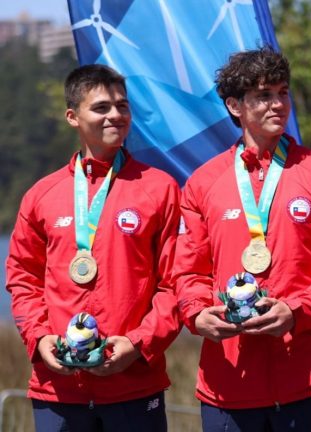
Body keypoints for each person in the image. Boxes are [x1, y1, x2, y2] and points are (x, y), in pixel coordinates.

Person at [173, 47, 311, 431]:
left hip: (310, 380)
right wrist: (197, 314)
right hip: (230, 384)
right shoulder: (202, 183)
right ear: (234, 105)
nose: (278, 103)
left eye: (283, 92)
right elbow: (186, 274)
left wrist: (297, 311)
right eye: (264, 95)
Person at [5, 64, 181, 430]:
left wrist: (137, 344)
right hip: (58, 390)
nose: (115, 114)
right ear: (73, 116)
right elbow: (22, 279)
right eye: (101, 107)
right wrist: (39, 339)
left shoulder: (160, 188)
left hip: (134, 384)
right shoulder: (42, 195)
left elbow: (176, 284)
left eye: (122, 106)